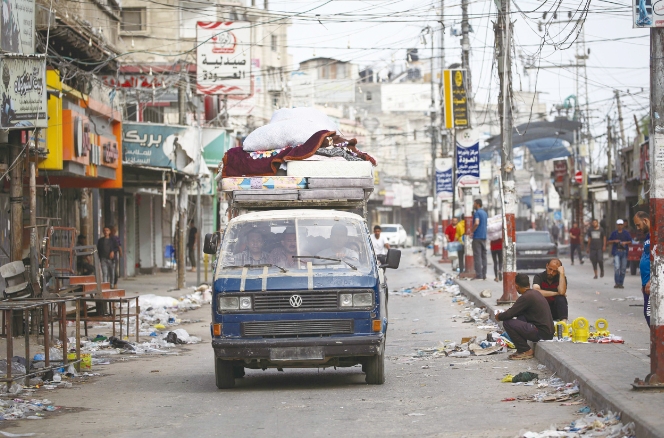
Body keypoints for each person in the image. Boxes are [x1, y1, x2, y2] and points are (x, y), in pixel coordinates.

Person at [495, 273, 554, 360]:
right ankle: (521, 349)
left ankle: (525, 350)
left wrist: (499, 316)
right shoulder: (534, 293)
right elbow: (515, 311)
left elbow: (509, 315)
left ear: (516, 286)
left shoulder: (526, 297)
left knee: (507, 323)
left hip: (541, 333)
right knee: (520, 317)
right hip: (548, 332)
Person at [633, 211, 651, 326]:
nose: (638, 228)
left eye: (638, 225)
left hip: (653, 282)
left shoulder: (657, 235)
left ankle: (659, 343)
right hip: (647, 283)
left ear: (645, 221)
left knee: (650, 314)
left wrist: (652, 281)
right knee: (648, 313)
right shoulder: (648, 236)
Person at [607, 219, 632, 289]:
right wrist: (614, 241)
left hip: (624, 252)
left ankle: (621, 283)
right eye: (619, 225)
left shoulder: (626, 233)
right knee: (617, 267)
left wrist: (625, 243)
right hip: (616, 252)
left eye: (621, 225)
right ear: (617, 225)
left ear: (623, 225)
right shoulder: (614, 233)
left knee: (623, 269)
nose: (620, 226)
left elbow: (630, 241)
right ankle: (617, 283)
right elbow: (608, 242)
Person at [471, 199, 488, 280]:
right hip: (484, 236)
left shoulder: (477, 213)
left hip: (477, 236)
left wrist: (472, 230)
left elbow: (477, 222)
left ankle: (479, 274)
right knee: (484, 256)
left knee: (477, 256)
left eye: (474, 203)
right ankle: (484, 274)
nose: (473, 205)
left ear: (477, 204)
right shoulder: (485, 213)